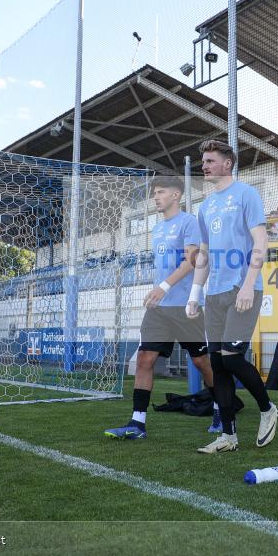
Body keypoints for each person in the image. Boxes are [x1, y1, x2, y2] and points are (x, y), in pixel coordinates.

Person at [105, 176, 218, 440]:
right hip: (159, 308)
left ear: (176, 195)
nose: (155, 197)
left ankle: (219, 409)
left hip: (185, 306)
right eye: (154, 193)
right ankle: (137, 423)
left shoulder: (189, 222)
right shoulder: (157, 229)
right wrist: (159, 289)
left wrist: (164, 287)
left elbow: (192, 261)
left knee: (201, 362)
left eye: (160, 192)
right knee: (145, 359)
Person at [188, 139, 278, 454]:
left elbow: (260, 239)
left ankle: (267, 408)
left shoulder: (246, 194)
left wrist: (248, 282)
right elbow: (205, 254)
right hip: (214, 293)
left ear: (228, 163)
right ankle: (228, 436)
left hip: (243, 288)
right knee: (218, 363)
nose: (205, 166)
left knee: (231, 357)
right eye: (204, 161)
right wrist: (195, 293)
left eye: (211, 160)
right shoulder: (206, 206)